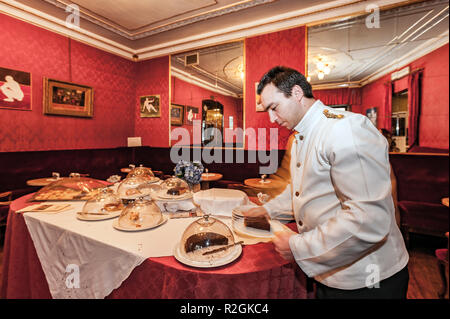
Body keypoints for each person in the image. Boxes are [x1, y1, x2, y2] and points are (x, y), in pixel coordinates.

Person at [245, 66, 409, 299]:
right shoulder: (301, 136)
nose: (272, 119)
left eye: (274, 107)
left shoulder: (345, 129)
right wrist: (266, 210)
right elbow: (301, 191)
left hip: (368, 281)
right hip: (330, 272)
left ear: (297, 93)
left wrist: (298, 247)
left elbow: (368, 220)